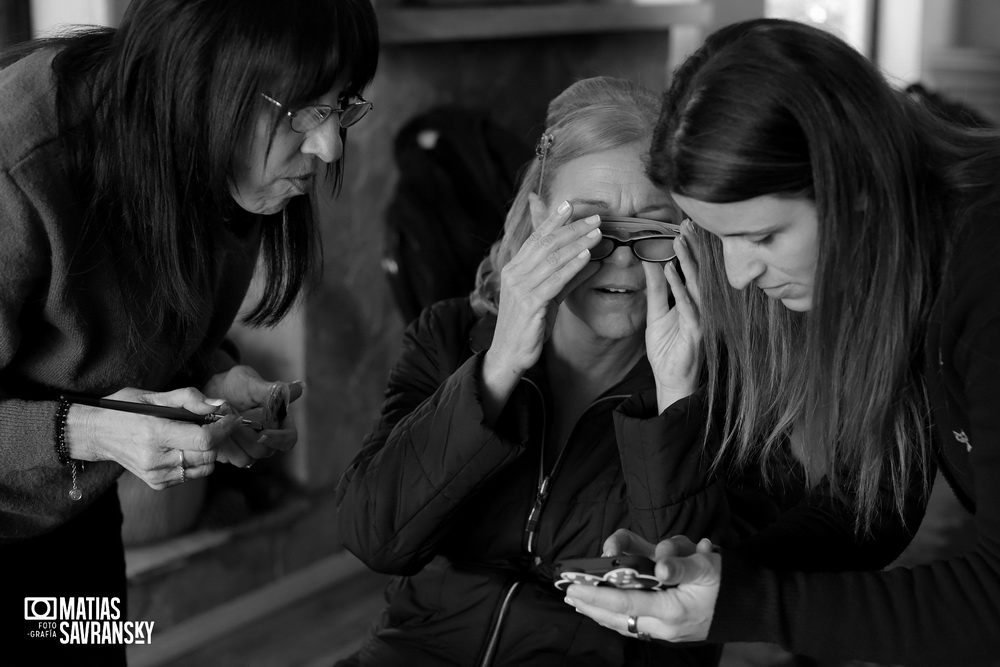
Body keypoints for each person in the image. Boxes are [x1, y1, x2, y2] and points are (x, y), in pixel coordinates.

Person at [563, 18, 1000, 664]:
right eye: (722, 238)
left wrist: (747, 603)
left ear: (856, 188)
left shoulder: (987, 268)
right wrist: (718, 573)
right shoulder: (911, 249)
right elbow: (876, 496)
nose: (738, 274)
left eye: (763, 237)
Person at [334, 75, 771, 667]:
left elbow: (688, 612)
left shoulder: (728, 388)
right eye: (588, 227)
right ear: (540, 217)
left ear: (693, 232)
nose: (617, 258)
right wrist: (499, 365)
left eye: (652, 226)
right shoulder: (448, 337)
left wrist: (675, 401)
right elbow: (375, 536)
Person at [0, 0, 378, 663]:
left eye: (341, 104)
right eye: (306, 112)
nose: (329, 146)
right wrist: (97, 427)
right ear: (206, 77)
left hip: (71, 504)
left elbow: (137, 314)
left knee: (91, 643)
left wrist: (215, 376)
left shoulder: (227, 153)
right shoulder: (23, 155)